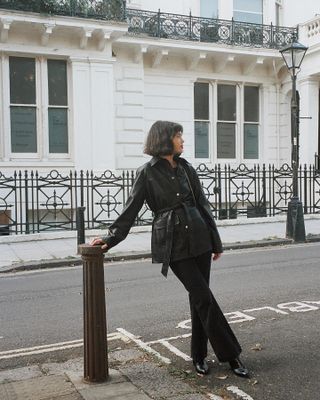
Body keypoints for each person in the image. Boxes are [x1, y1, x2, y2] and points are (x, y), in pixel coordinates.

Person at [90, 120, 249, 378]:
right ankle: (232, 356)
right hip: (173, 244)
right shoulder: (147, 172)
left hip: (199, 238)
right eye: (178, 136)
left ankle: (198, 356)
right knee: (204, 298)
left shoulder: (186, 168)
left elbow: (203, 205)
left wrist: (215, 241)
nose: (183, 141)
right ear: (165, 139)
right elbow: (130, 210)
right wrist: (110, 239)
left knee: (199, 298)